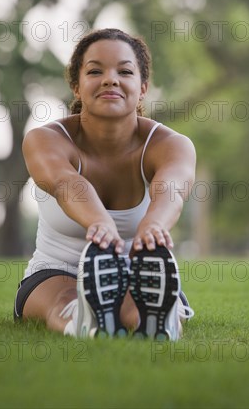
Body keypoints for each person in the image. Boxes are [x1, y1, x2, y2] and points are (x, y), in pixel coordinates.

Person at [14, 28, 196, 340]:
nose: (110, 79)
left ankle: (155, 317)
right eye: (95, 71)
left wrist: (153, 226)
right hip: (57, 270)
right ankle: (83, 320)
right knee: (64, 300)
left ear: (142, 88)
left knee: (133, 309)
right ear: (76, 86)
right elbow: (66, 183)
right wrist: (99, 223)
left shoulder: (171, 144)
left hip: (136, 271)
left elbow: (171, 189)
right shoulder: (45, 139)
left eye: (124, 71)